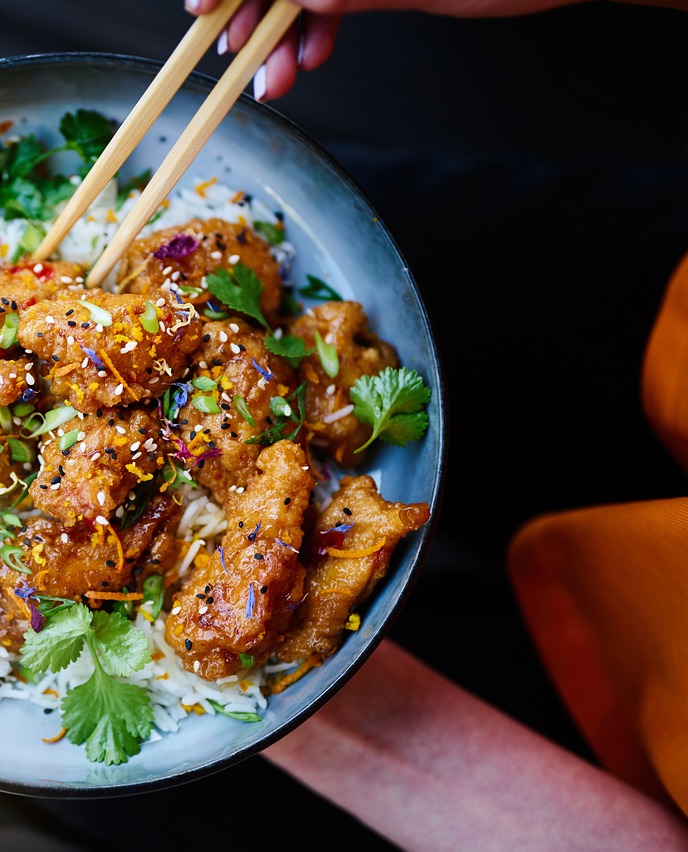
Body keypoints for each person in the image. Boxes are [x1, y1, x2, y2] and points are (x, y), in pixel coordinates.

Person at [185, 0, 688, 846]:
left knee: (171, 806)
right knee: (393, 219)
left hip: (607, 731)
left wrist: (284, 695)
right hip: (665, 314)